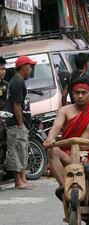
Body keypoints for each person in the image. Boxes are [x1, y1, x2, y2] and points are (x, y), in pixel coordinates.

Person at [44, 76, 89, 209]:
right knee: (52, 150)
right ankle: (64, 188)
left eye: (84, 93)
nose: (80, 96)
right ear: (72, 93)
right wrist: (50, 139)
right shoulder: (64, 110)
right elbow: (55, 128)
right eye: (77, 93)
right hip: (68, 155)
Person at [5, 55, 36, 189]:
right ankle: (18, 181)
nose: (31, 69)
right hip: (16, 124)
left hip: (20, 124)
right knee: (17, 151)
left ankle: (23, 179)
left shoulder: (19, 81)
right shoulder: (17, 82)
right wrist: (20, 123)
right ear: (23, 67)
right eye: (30, 66)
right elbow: (16, 105)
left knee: (22, 150)